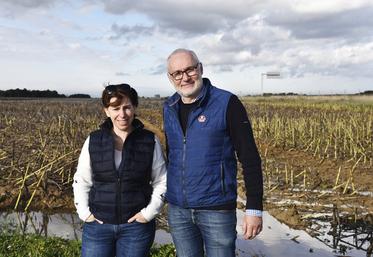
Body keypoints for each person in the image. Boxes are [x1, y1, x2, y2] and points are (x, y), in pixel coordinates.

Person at [163, 48, 263, 257]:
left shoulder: (227, 103)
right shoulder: (169, 107)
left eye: (190, 69)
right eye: (177, 73)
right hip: (178, 210)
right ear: (170, 77)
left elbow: (250, 157)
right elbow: (172, 155)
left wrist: (253, 208)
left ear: (200, 69)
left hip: (216, 209)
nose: (185, 77)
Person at [73, 84, 167, 257]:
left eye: (127, 107)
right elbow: (82, 179)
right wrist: (85, 213)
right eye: (115, 108)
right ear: (106, 111)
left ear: (134, 108)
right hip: (98, 227)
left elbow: (162, 180)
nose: (122, 114)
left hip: (136, 228)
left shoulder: (149, 140)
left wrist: (148, 214)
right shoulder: (94, 140)